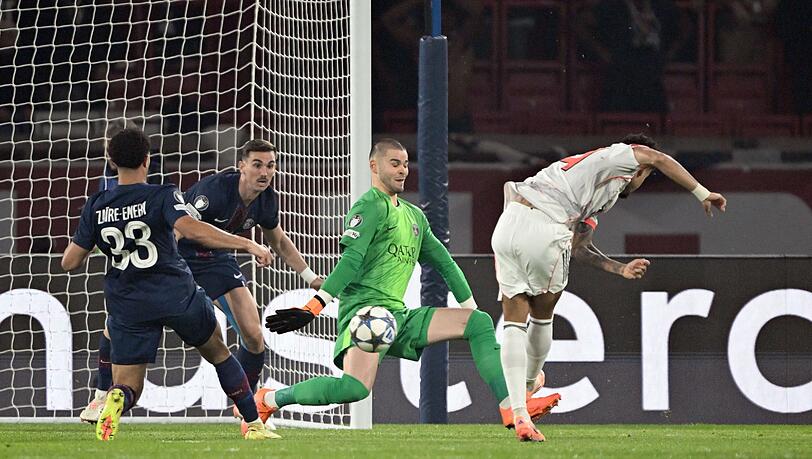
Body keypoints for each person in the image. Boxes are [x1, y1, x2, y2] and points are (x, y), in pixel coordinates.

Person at [262, 139, 561, 441]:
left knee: (480, 322)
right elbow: (350, 262)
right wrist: (314, 307)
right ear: (374, 166)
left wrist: (470, 309)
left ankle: (512, 407)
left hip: (398, 316)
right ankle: (270, 399)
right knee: (353, 389)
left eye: (405, 163)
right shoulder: (368, 208)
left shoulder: (414, 216)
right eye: (394, 163)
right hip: (365, 317)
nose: (403, 170)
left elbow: (445, 264)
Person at [491, 133, 727, 441]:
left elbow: (577, 248)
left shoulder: (593, 185)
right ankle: (528, 385)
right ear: (640, 168)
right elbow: (657, 157)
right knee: (542, 312)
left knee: (513, 315)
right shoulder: (620, 155)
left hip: (509, 223)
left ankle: (519, 408)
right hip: (547, 224)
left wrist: (620, 268)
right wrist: (702, 192)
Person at [79, 138, 322, 423]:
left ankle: (248, 403)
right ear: (241, 166)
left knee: (254, 336)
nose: (264, 172)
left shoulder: (266, 199)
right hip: (177, 260)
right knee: (115, 323)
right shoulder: (213, 191)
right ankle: (99, 396)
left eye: (270, 165)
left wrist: (310, 277)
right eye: (257, 165)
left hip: (217, 260)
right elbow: (180, 230)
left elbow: (278, 241)